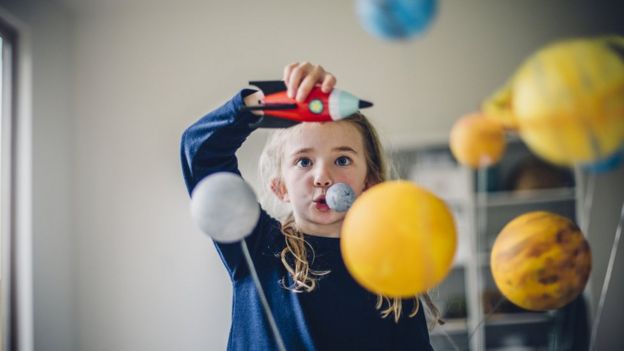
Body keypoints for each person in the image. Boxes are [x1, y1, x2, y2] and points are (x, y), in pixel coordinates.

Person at [181, 62, 439, 351]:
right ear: (280, 187)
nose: (322, 177)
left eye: (342, 160)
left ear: (369, 182)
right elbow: (200, 153)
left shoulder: (394, 276)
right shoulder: (258, 247)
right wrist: (266, 104)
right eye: (304, 161)